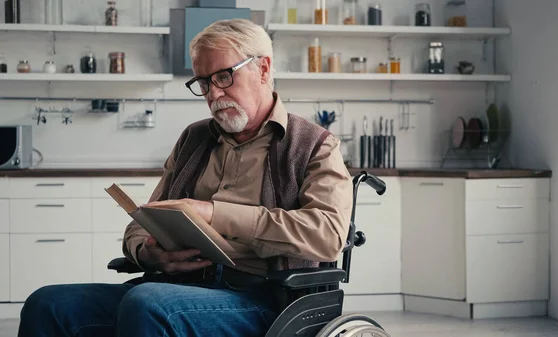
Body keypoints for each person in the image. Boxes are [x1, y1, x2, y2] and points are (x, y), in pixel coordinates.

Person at [17, 18, 353, 337]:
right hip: (177, 287)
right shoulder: (194, 140)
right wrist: (147, 254)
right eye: (203, 83)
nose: (213, 94)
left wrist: (214, 214)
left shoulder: (313, 146)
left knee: (148, 304)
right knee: (48, 304)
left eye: (223, 76)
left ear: (262, 69)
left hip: (264, 298)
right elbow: (144, 220)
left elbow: (327, 235)